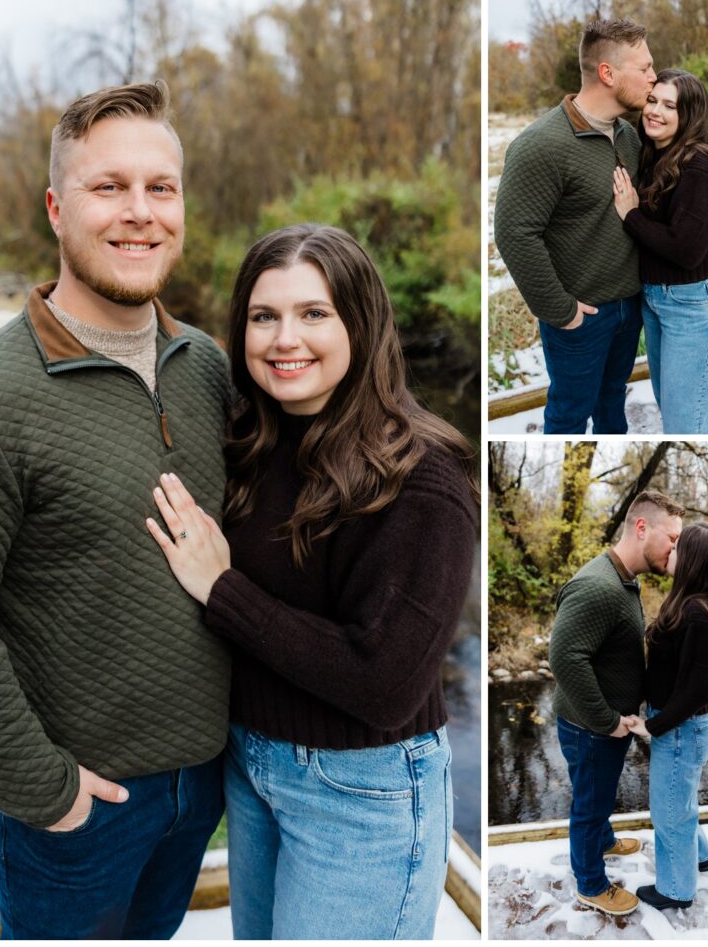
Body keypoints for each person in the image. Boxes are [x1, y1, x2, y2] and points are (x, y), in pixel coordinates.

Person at [0, 82, 234, 939]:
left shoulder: (211, 370)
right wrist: (42, 789)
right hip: (79, 812)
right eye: (107, 186)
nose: (139, 212)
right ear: (55, 206)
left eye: (161, 187)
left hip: (205, 791)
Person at [144, 224, 479, 939]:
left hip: (362, 791)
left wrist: (224, 590)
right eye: (264, 316)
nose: (283, 338)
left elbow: (384, 681)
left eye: (313, 313)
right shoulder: (246, 441)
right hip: (251, 767)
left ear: (361, 321)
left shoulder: (423, 480)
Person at [494, 18, 656, 434]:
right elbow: (515, 233)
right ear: (608, 73)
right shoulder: (541, 146)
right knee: (568, 413)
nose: (653, 79)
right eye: (645, 69)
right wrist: (561, 312)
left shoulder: (630, 137)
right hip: (583, 317)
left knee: (612, 400)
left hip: (630, 308)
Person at [548, 490, 686, 916]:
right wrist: (606, 721)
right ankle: (590, 883)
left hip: (604, 725)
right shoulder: (598, 586)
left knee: (600, 796)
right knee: (589, 806)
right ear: (642, 527)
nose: (676, 549)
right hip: (591, 728)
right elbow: (563, 657)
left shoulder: (625, 579)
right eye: (673, 538)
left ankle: (603, 840)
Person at [626, 522, 708, 910]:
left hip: (680, 730)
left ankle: (676, 890)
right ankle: (700, 857)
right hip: (680, 728)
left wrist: (651, 725)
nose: (670, 550)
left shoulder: (701, 616)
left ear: (691, 560)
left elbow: (697, 691)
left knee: (669, 812)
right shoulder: (689, 604)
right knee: (681, 800)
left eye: (677, 546)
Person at [613, 69, 708, 434]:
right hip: (656, 300)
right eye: (652, 100)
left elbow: (688, 250)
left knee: (688, 423)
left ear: (688, 116)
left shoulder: (701, 166)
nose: (655, 111)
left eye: (669, 106)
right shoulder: (652, 154)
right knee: (676, 411)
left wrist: (631, 215)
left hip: (694, 305)